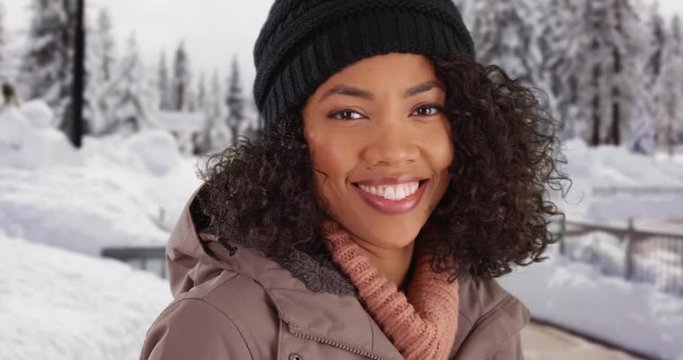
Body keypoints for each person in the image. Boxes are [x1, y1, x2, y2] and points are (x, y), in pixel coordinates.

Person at [140, 0, 565, 359]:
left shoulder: (488, 319)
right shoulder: (221, 330)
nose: (394, 150)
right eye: (348, 114)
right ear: (291, 141)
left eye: (425, 109)